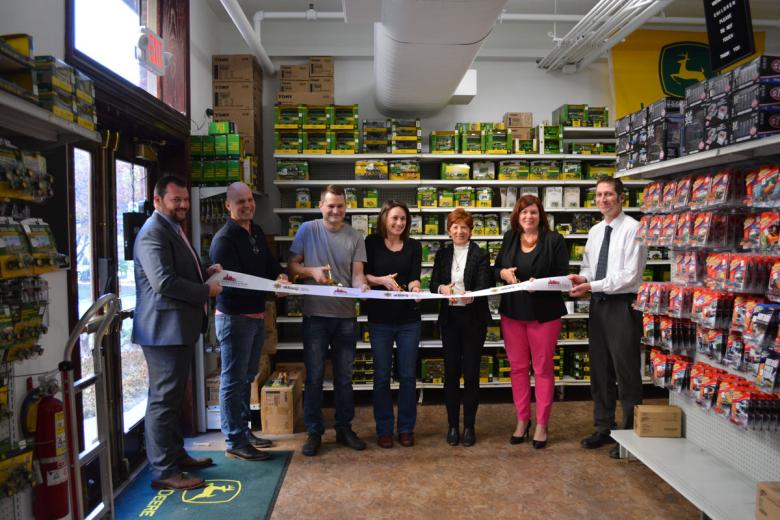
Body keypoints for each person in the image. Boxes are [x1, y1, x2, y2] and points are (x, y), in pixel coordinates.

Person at [132, 175, 222, 490]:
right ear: (158, 201)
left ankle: (175, 456)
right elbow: (164, 283)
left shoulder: (171, 229)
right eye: (176, 200)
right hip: (162, 332)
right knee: (162, 400)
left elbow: (177, 272)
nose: (183, 205)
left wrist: (204, 273)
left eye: (185, 199)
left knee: (171, 398)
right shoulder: (153, 234)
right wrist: (205, 291)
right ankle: (164, 471)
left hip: (175, 330)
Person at [568, 175, 647, 459]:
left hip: (622, 306)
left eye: (608, 194)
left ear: (621, 197)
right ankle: (603, 427)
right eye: (599, 195)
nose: (603, 199)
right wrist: (582, 279)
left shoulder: (634, 229)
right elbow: (590, 266)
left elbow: (629, 277)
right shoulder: (595, 231)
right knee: (599, 370)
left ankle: (628, 435)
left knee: (625, 372)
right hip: (598, 306)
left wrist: (593, 284)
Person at [209, 182, 289, 461]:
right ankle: (234, 439)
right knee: (232, 380)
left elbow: (269, 263)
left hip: (255, 315)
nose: (247, 205)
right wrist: (270, 288)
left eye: (250, 200)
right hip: (234, 317)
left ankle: (244, 430)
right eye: (240, 202)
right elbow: (232, 284)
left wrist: (280, 277)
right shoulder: (224, 239)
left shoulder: (254, 231)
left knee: (246, 377)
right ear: (228, 206)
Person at [288, 184, 369, 456]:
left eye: (340, 206)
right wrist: (311, 271)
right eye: (331, 205)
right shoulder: (307, 230)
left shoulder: (355, 236)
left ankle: (344, 428)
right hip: (315, 317)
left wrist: (363, 288)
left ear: (346, 208)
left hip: (346, 317)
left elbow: (357, 274)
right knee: (314, 378)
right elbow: (292, 266)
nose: (335, 211)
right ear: (320, 205)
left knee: (344, 378)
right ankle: (314, 431)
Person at [494, 195, 568, 449]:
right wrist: (503, 273)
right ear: (517, 215)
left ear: (541, 215)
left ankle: (542, 424)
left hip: (544, 314)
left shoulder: (554, 240)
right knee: (517, 369)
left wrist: (542, 285)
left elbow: (562, 278)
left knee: (543, 369)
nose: (528, 217)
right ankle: (522, 420)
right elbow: (497, 268)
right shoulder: (509, 238)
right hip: (513, 312)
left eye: (533, 212)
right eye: (524, 212)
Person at [430, 208, 491, 447]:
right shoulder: (442, 255)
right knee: (452, 373)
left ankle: (470, 427)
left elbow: (485, 283)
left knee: (472, 373)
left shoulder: (480, 254)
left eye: (464, 227)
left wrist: (472, 296)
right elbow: (434, 282)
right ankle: (453, 425)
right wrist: (442, 289)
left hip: (473, 320)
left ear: (471, 230)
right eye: (455, 226)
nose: (459, 231)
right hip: (450, 320)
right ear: (449, 230)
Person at [364, 200, 422, 448]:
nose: (399, 223)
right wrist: (382, 281)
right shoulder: (371, 243)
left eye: (403, 219)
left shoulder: (414, 246)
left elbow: (415, 277)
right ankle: (384, 429)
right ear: (384, 218)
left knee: (408, 376)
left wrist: (416, 288)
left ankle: (406, 428)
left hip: (409, 320)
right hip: (380, 320)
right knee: (381, 376)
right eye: (395, 218)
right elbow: (362, 276)